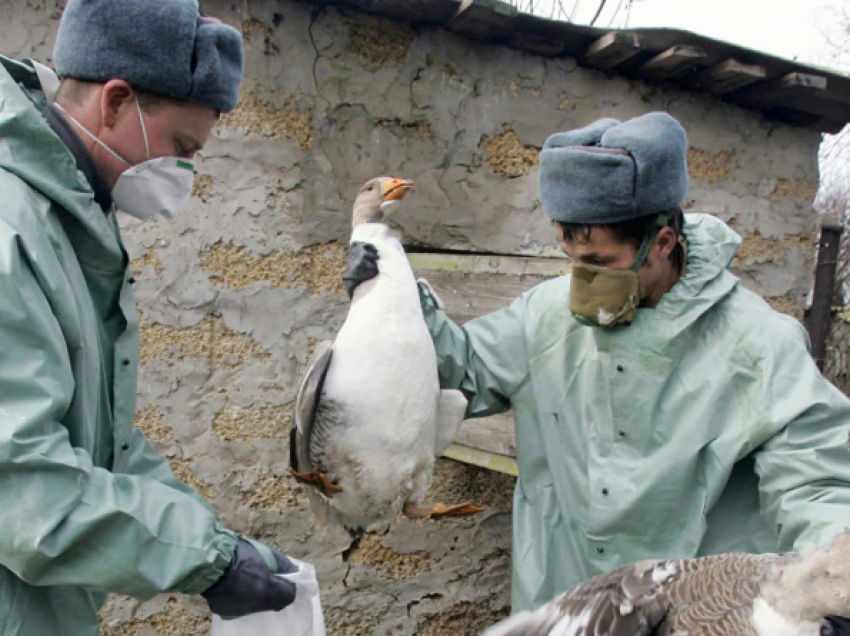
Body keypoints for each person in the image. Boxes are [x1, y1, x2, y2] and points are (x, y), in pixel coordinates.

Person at [343, 112, 850, 612]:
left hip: (691, 614)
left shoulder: (756, 342)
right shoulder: (544, 315)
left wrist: (836, 586)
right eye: (573, 259)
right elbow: (459, 371)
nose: (581, 281)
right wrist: (395, 294)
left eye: (600, 264)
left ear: (663, 243)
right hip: (562, 608)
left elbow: (817, 481)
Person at [0, 1, 300, 633]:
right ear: (115, 102)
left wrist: (217, 538)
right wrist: (208, 561)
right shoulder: (10, 228)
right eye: (181, 145)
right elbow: (26, 492)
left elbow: (104, 448)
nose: (184, 171)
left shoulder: (72, 220)